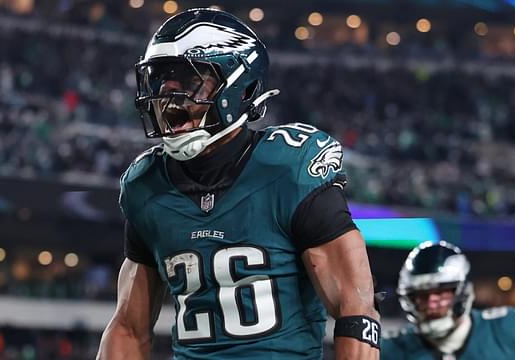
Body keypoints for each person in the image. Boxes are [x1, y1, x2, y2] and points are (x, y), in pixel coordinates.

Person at [96, 8, 380, 360]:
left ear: (237, 85)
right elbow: (128, 327)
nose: (168, 91)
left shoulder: (289, 169)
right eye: (162, 77)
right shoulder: (148, 186)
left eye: (188, 78)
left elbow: (356, 310)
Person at [382, 241, 515, 359]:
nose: (431, 303)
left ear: (463, 292)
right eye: (422, 295)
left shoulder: (503, 330)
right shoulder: (392, 348)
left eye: (441, 293)